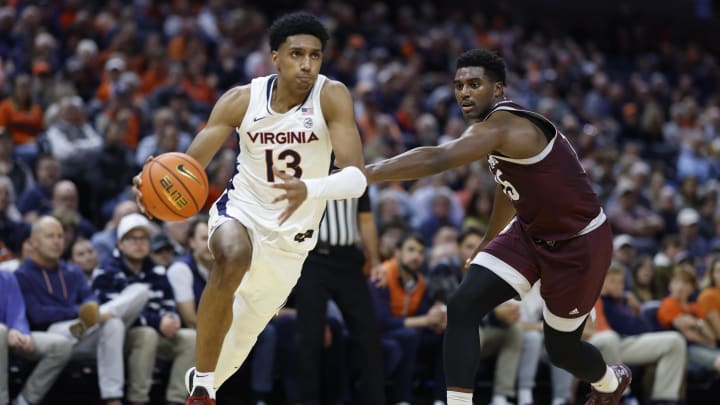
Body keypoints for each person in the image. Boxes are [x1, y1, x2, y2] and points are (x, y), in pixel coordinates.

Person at [365, 48, 631, 405]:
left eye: (474, 84)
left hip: (579, 244)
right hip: (529, 232)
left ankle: (610, 380)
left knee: (562, 350)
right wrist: (490, 240)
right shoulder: (493, 133)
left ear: (498, 89)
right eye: (459, 85)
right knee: (462, 305)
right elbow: (510, 188)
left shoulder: (509, 126)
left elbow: (439, 157)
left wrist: (367, 172)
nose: (464, 92)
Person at [133, 12, 368, 405]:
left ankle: (205, 378)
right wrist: (155, 190)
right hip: (241, 209)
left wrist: (310, 188)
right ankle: (203, 386)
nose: (306, 64)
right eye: (296, 54)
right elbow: (189, 169)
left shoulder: (332, 95)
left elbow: (356, 178)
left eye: (315, 55)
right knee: (231, 256)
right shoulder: (241, 100)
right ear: (275, 56)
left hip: (291, 243)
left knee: (237, 344)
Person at [294, 188, 386, 405]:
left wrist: (375, 261)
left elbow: (365, 218)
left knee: (368, 335)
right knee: (309, 338)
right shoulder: (308, 165)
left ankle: (373, 400)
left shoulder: (355, 170)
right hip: (312, 258)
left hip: (348, 259)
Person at [1, 270, 73, 405]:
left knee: (60, 346)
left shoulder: (6, 277)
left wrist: (20, 331)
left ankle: (25, 401)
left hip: (8, 337)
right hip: (2, 333)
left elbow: (18, 312)